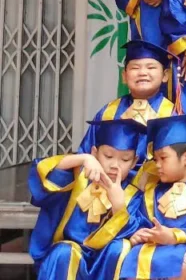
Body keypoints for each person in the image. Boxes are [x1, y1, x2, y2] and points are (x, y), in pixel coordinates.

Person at [29, 119, 147, 280]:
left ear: (134, 162)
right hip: (70, 254)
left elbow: (135, 233)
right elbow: (45, 171)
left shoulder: (132, 194)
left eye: (125, 159)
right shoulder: (79, 178)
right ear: (95, 152)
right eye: (108, 156)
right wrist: (83, 159)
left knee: (122, 247)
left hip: (105, 260)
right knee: (63, 252)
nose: (115, 165)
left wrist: (119, 206)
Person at [116, 114, 186, 280]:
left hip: (182, 253)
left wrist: (173, 236)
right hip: (147, 250)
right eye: (155, 159)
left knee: (185, 259)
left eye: (163, 158)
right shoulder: (152, 192)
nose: (157, 165)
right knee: (128, 255)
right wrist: (138, 234)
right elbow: (140, 221)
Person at [79, 41, 175, 162]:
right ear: (124, 76)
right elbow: (85, 155)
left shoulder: (172, 115)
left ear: (165, 75)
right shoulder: (108, 113)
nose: (142, 73)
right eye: (135, 68)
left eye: (151, 67)